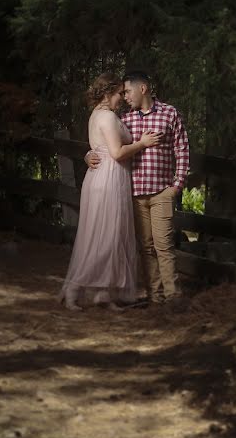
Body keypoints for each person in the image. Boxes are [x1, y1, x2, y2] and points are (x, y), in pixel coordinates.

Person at [86, 70, 190, 307]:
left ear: (142, 88)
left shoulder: (169, 113)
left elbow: (182, 149)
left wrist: (177, 185)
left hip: (162, 191)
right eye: (122, 93)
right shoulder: (126, 119)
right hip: (134, 192)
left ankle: (173, 296)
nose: (125, 97)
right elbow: (106, 143)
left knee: (164, 245)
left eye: (128, 91)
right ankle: (155, 297)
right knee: (146, 246)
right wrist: (88, 154)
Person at [61, 73, 161, 310]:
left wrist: (89, 155)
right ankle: (73, 291)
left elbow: (98, 148)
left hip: (106, 177)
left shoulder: (98, 115)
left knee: (109, 237)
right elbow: (116, 153)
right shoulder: (106, 116)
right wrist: (143, 143)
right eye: (119, 94)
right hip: (109, 178)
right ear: (108, 94)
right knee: (102, 238)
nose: (123, 98)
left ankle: (104, 294)